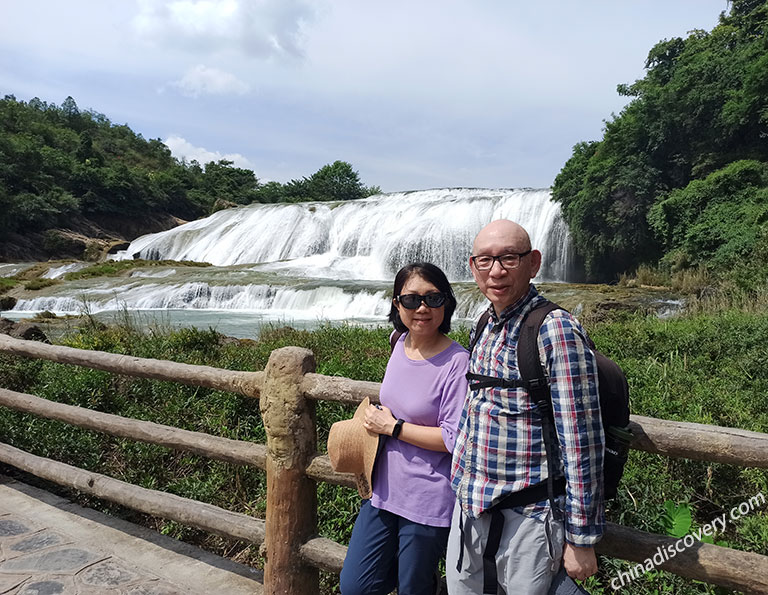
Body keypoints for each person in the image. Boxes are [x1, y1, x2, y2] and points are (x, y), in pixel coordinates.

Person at [447, 220, 604, 594]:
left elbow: (582, 441)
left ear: (533, 263)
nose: (496, 271)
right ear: (473, 267)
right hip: (470, 512)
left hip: (530, 520)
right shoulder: (484, 323)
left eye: (509, 258)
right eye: (485, 260)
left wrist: (581, 538)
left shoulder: (555, 330)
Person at [339, 262, 470, 595]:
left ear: (447, 303)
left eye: (433, 299)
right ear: (397, 304)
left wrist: (393, 427)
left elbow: (454, 439)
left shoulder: (458, 363)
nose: (422, 308)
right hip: (381, 488)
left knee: (414, 588)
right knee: (356, 585)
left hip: (426, 498)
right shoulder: (399, 342)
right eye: (411, 300)